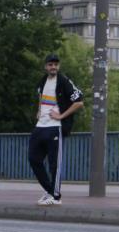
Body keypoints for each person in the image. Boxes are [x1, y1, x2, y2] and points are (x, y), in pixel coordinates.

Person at [29, 54, 83, 206]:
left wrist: (61, 116)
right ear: (46, 66)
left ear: (58, 66)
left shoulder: (64, 81)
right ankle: (49, 190)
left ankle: (56, 197)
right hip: (40, 126)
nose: (53, 67)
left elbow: (79, 102)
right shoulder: (42, 81)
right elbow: (41, 97)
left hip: (55, 127)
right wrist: (39, 110)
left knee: (54, 163)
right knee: (33, 159)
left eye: (56, 64)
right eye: (50, 64)